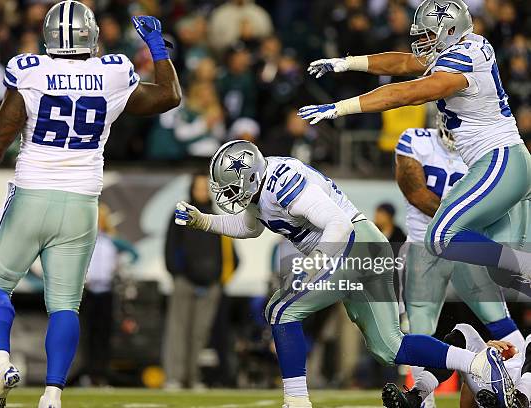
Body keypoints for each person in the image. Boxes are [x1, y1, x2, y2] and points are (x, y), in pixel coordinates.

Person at [0, 2, 181, 407]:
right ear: (91, 35)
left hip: (33, 194)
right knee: (65, 304)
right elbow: (169, 96)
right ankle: (52, 395)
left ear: (49, 36)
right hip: (83, 203)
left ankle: (0, 362)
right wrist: (157, 47)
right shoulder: (111, 74)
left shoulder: (31, 71)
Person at [174, 140, 512, 408]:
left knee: (280, 310)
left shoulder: (282, 181)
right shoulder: (262, 187)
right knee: (390, 348)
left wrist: (316, 262)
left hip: (352, 244)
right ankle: (479, 364)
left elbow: (336, 223)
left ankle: (296, 401)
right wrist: (203, 221)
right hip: (364, 247)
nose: (229, 196)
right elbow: (249, 228)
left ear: (249, 175)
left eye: (232, 188)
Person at [299, 0, 531, 294]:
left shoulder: (461, 62)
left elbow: (407, 92)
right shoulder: (466, 44)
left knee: (442, 236)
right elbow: (405, 62)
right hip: (506, 162)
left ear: (449, 30)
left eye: (429, 35)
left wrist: (340, 108)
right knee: (508, 277)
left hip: (500, 159)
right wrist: (347, 63)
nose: (422, 42)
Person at [391, 118, 521, 408]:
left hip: (466, 251)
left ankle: (516, 392)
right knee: (420, 330)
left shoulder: (485, 152)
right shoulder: (415, 140)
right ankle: (422, 400)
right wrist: (461, 220)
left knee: (502, 325)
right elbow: (416, 193)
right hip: (423, 248)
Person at [164, 173, 238, 389]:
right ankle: (174, 377)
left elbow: (231, 256)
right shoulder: (180, 215)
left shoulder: (216, 218)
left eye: (206, 188)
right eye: (199, 188)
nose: (202, 192)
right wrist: (179, 274)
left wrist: (218, 281)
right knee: (178, 331)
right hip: (184, 282)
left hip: (210, 286)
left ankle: (194, 377)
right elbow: (170, 249)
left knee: (200, 334)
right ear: (191, 190)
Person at [385, 324, 527, 408]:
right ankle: (415, 397)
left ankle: (519, 402)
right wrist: (483, 361)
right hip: (494, 391)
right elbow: (465, 405)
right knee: (463, 330)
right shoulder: (520, 351)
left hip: (520, 398)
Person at [82, 203, 139, 386]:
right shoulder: (83, 237)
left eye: (102, 218)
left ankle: (101, 374)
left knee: (104, 335)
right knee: (88, 335)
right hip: (88, 292)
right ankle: (89, 374)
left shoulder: (112, 240)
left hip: (106, 292)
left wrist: (120, 265)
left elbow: (134, 254)